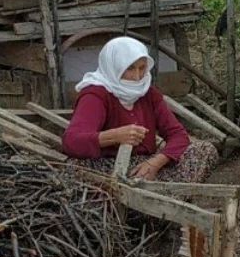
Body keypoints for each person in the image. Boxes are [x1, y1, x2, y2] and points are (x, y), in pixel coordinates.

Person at [62, 37, 218, 183]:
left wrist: (155, 163)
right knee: (75, 167)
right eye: (130, 68)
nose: (137, 77)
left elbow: (178, 134)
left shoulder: (148, 94)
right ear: (113, 67)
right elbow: (71, 142)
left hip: (146, 166)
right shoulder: (96, 95)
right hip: (106, 168)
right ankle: (147, 202)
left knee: (205, 150)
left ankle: (159, 200)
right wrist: (113, 136)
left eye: (142, 68)